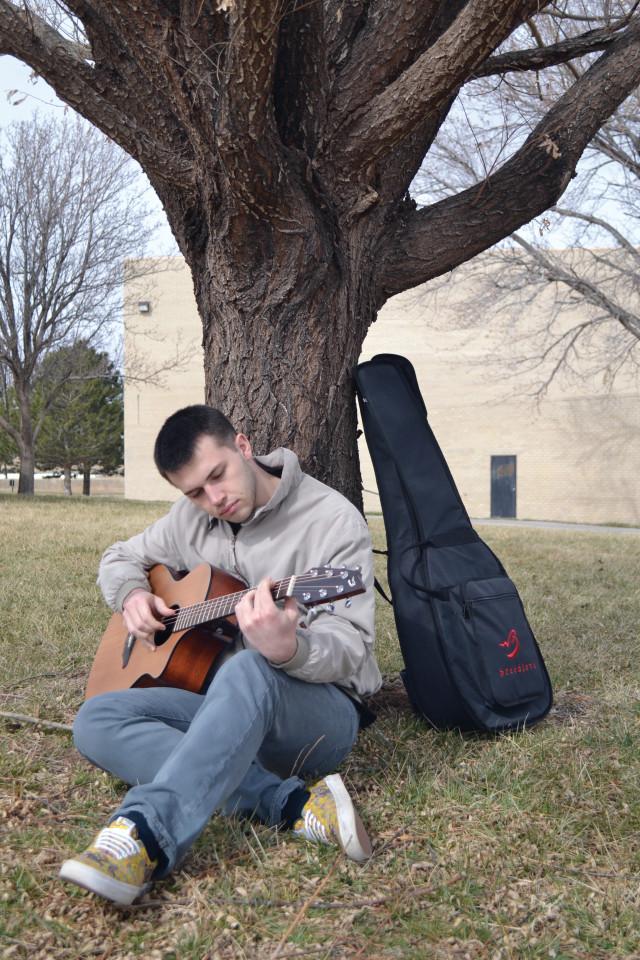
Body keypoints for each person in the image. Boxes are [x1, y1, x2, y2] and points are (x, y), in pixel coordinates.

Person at [59, 405, 382, 905]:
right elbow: (121, 556)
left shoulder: (331, 520)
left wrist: (290, 649)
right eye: (194, 492)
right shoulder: (191, 520)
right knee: (96, 719)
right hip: (224, 713)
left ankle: (145, 834)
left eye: (218, 475)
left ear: (244, 446)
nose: (214, 499)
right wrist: (131, 596)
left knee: (252, 665)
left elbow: (352, 648)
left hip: (320, 714)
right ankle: (289, 804)